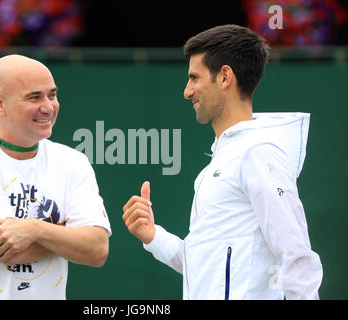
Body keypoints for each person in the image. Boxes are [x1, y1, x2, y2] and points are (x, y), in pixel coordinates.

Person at [122, 25, 323, 300]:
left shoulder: (257, 154)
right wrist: (153, 236)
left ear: (225, 77)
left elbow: (297, 255)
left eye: (195, 78)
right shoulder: (224, 161)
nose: (187, 91)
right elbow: (205, 267)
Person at [0, 54, 111, 299]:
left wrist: (34, 229)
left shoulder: (73, 162)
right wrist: (68, 233)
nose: (48, 106)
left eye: (52, 95)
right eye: (34, 97)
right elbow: (11, 252)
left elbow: (97, 250)